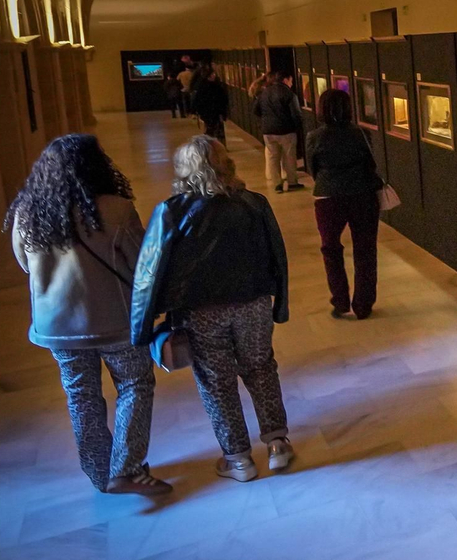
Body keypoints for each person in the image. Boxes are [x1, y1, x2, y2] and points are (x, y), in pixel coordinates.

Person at [4, 134, 169, 497]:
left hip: (58, 327)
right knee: (135, 385)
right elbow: (142, 263)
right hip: (116, 321)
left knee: (81, 396)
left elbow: (25, 266)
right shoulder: (116, 209)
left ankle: (100, 474)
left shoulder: (27, 213)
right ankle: (125, 468)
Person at [132, 136, 295, 483]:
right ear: (226, 165)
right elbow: (277, 257)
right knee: (261, 368)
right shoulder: (253, 203)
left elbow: (148, 272)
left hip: (202, 311)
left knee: (215, 382)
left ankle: (238, 459)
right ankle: (278, 444)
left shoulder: (172, 211)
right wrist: (279, 303)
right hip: (252, 304)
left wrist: (142, 328)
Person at [307, 88, 383, 319]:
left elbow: (313, 169)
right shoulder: (360, 134)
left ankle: (340, 300)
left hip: (329, 197)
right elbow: (371, 164)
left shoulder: (314, 137)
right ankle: (363, 304)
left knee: (330, 248)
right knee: (365, 249)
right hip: (363, 195)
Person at [255, 69, 305, 193]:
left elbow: (255, 110)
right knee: (289, 157)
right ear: (285, 80)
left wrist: (266, 120)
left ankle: (277, 185)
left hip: (268, 131)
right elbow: (296, 114)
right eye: (291, 81)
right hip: (286, 131)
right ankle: (292, 182)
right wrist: (298, 127)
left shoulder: (264, 93)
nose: (292, 84)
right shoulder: (289, 94)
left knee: (273, 158)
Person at [193, 66, 230, 143]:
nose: (214, 75)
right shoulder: (216, 86)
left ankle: (212, 145)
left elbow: (197, 101)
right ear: (208, 76)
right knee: (215, 129)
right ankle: (216, 145)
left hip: (210, 112)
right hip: (213, 112)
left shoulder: (202, 87)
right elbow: (223, 99)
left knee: (212, 129)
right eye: (212, 74)